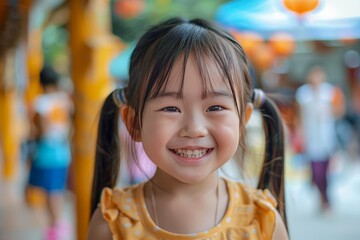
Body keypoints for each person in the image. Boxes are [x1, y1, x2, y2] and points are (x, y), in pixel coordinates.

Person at [88, 17, 288, 240]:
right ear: (134, 123)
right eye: (171, 108)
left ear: (242, 121)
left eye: (215, 107)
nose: (194, 129)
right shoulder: (113, 221)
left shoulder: (262, 222)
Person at [26, 65, 73, 240]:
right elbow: (70, 126)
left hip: (46, 152)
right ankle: (57, 226)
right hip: (63, 151)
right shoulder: (64, 99)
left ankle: (55, 228)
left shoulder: (40, 102)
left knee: (50, 193)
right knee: (57, 190)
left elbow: (42, 130)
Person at [295, 65, 345, 212]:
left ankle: (326, 198)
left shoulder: (330, 91)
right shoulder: (303, 94)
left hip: (327, 136)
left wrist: (329, 111)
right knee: (316, 170)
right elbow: (298, 116)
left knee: (326, 170)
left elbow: (340, 111)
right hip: (310, 136)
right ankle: (322, 196)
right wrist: (299, 134)